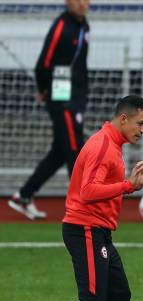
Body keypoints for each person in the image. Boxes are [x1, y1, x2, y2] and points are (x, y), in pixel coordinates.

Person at [34, 96, 143, 301]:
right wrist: (129, 186)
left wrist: (127, 185)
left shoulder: (111, 144)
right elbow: (88, 191)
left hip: (98, 231)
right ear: (123, 119)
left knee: (119, 294)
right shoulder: (103, 146)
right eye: (140, 123)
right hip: (84, 228)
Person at [8, 0, 90, 220]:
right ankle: (82, 208)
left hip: (76, 96)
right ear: (67, 2)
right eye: (77, 0)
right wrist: (44, 89)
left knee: (60, 151)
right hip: (62, 97)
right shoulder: (61, 28)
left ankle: (23, 195)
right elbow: (42, 64)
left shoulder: (84, 25)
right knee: (75, 151)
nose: (82, 4)